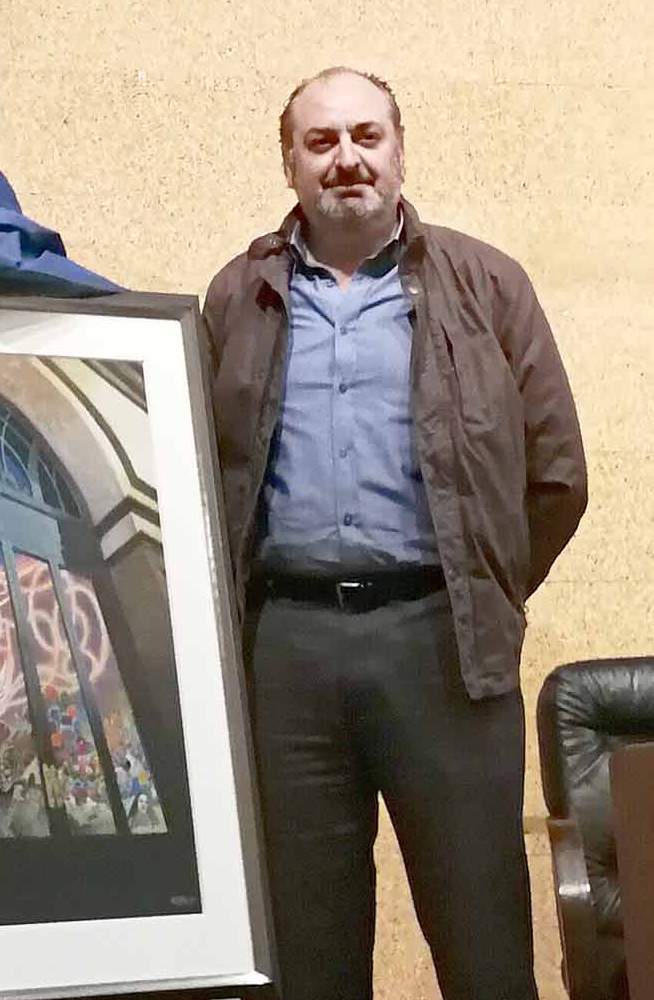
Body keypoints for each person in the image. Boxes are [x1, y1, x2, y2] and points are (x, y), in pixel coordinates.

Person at [202, 67, 586, 999]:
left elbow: (556, 476)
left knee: (484, 945)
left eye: (366, 136)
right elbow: (208, 469)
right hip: (284, 656)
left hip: (443, 645)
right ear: (289, 164)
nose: (346, 159)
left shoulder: (488, 284)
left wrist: (480, 584)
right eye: (321, 141)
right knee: (305, 953)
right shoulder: (237, 295)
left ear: (399, 149)